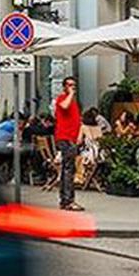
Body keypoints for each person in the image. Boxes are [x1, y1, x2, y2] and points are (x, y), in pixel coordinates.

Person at [54, 76, 83, 212]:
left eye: (74, 86)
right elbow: (64, 106)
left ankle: (65, 200)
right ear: (64, 87)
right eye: (70, 85)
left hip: (71, 138)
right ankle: (68, 200)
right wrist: (70, 94)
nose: (73, 88)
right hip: (65, 138)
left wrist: (78, 136)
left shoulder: (73, 101)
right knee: (68, 170)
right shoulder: (62, 98)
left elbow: (76, 120)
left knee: (68, 169)